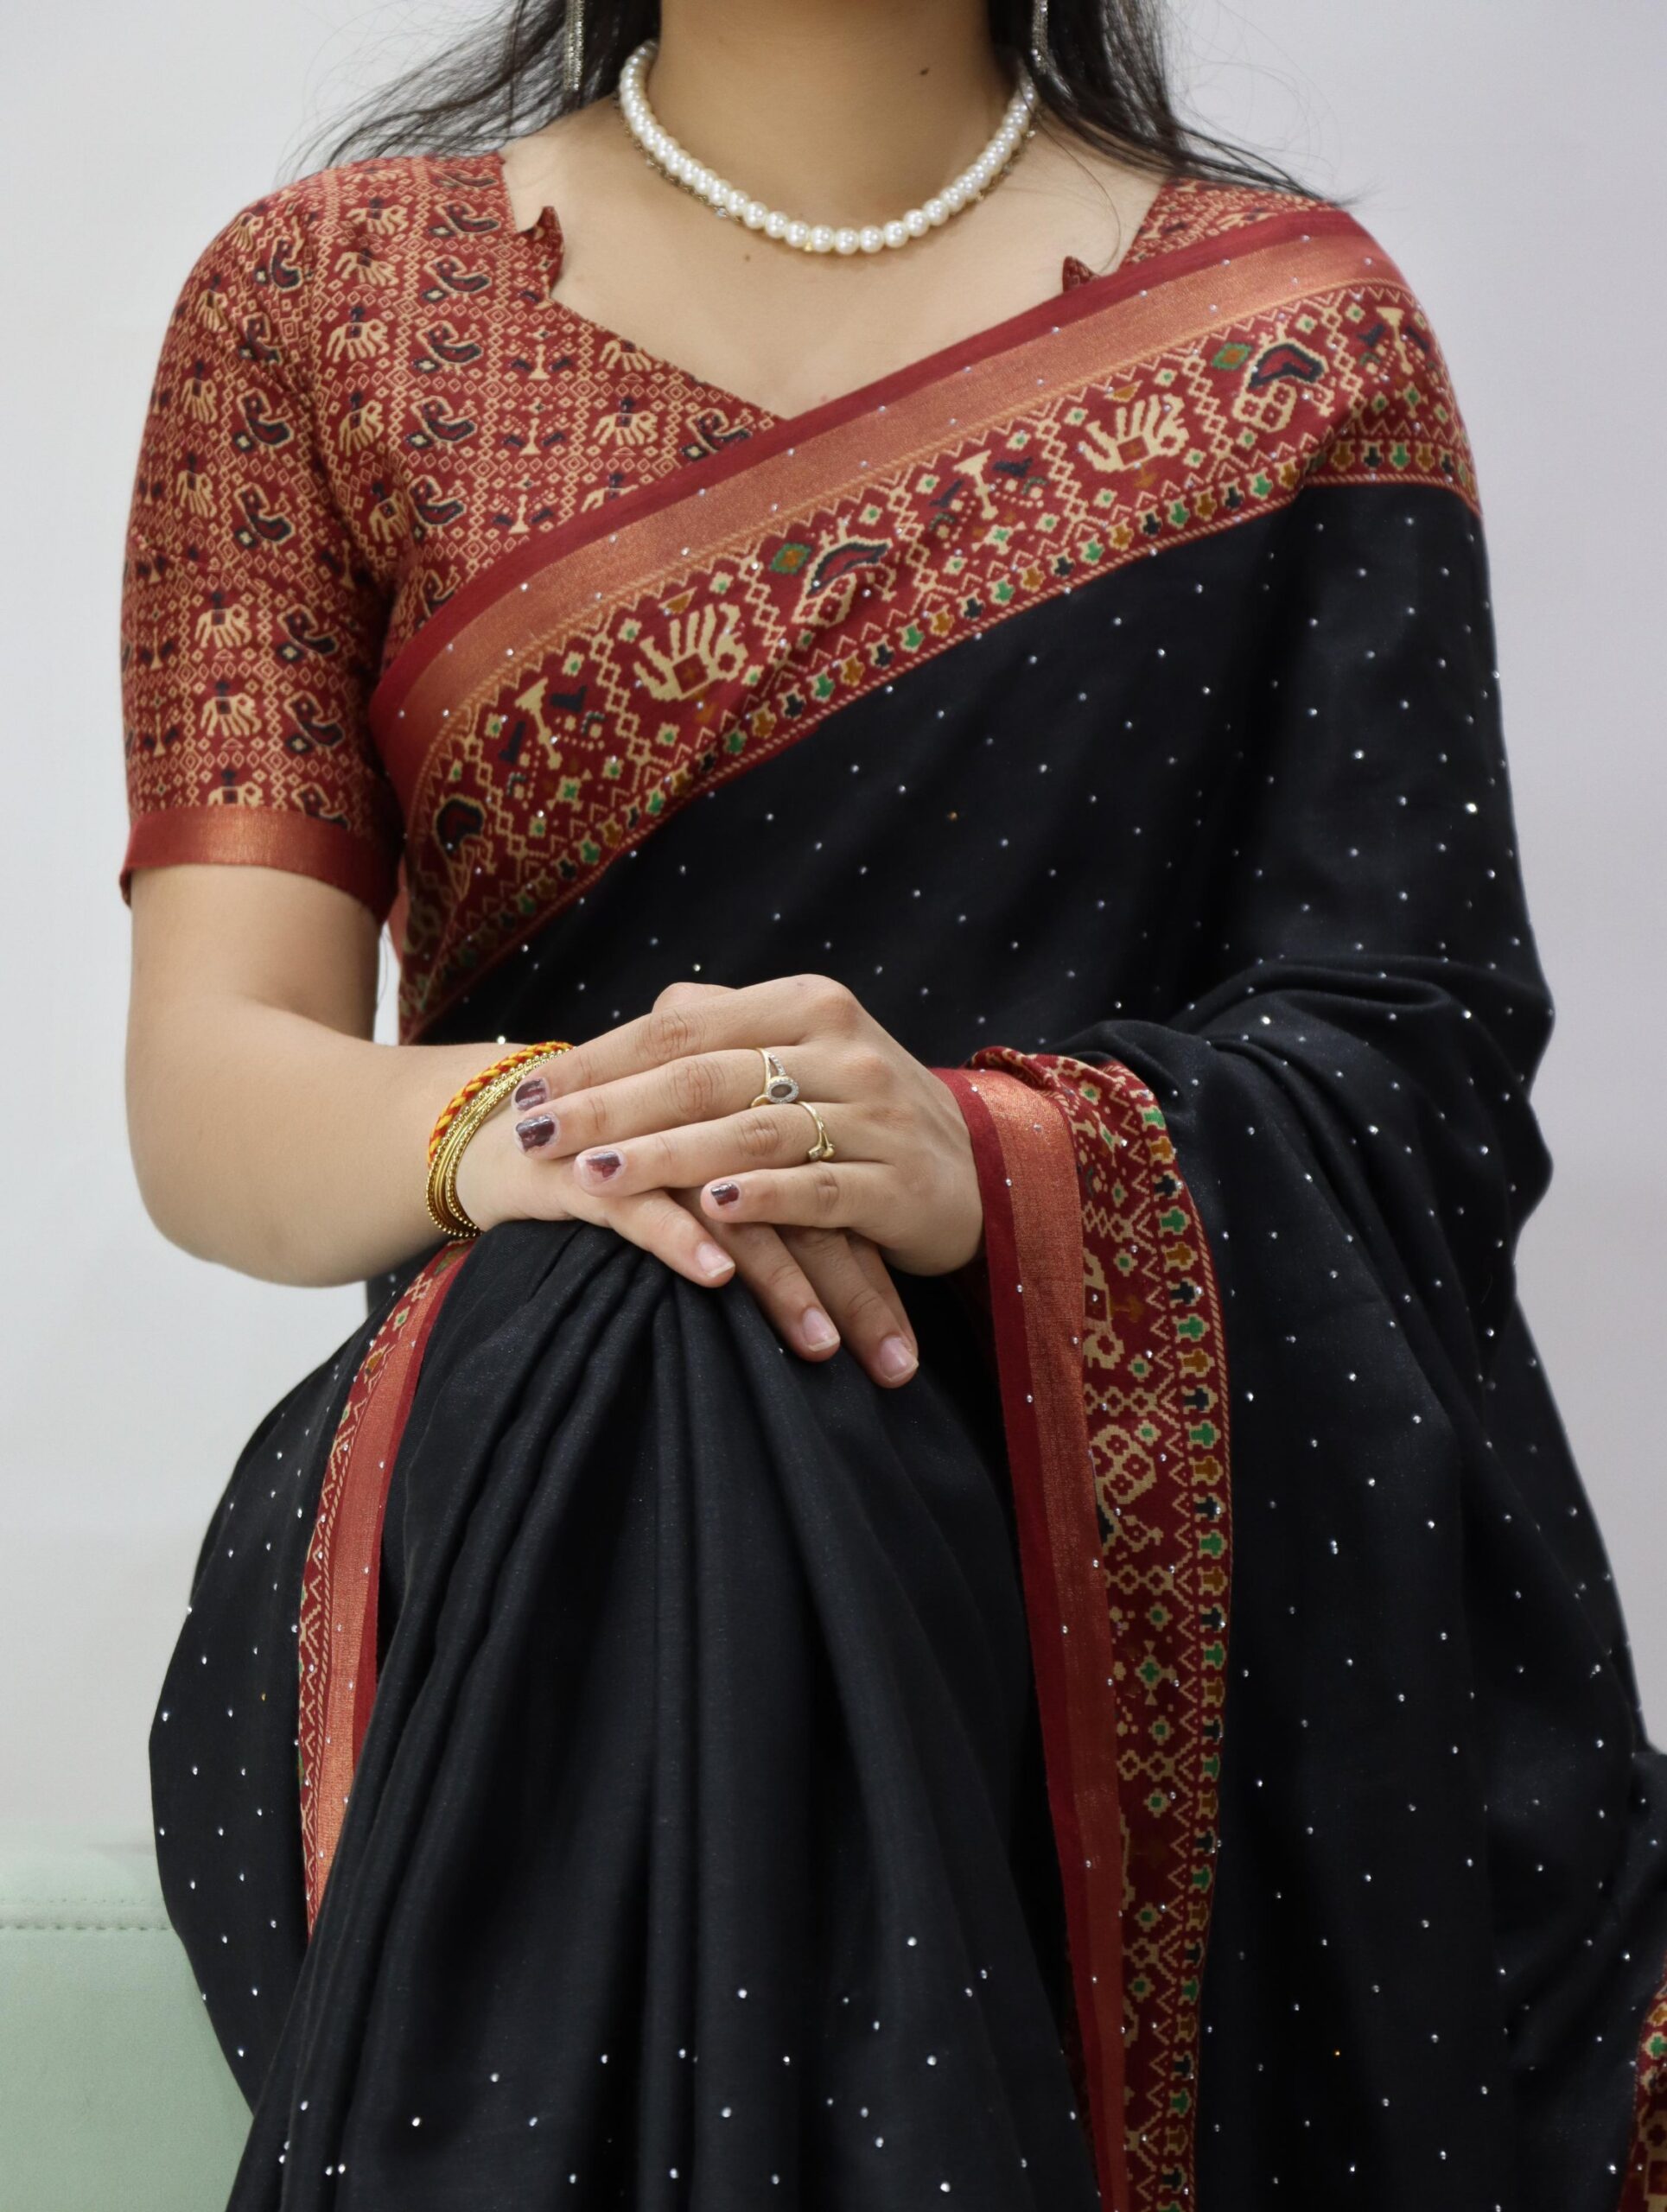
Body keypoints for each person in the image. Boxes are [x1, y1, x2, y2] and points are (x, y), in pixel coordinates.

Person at [117, 3, 1667, 2206]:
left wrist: (994, 1157)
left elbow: (1415, 1076)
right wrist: (593, 1133)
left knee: (718, 1360)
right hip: (515, 1512)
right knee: (659, 1326)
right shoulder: (320, 311)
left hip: (1095, 1525)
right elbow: (212, 1087)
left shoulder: (1290, 340)